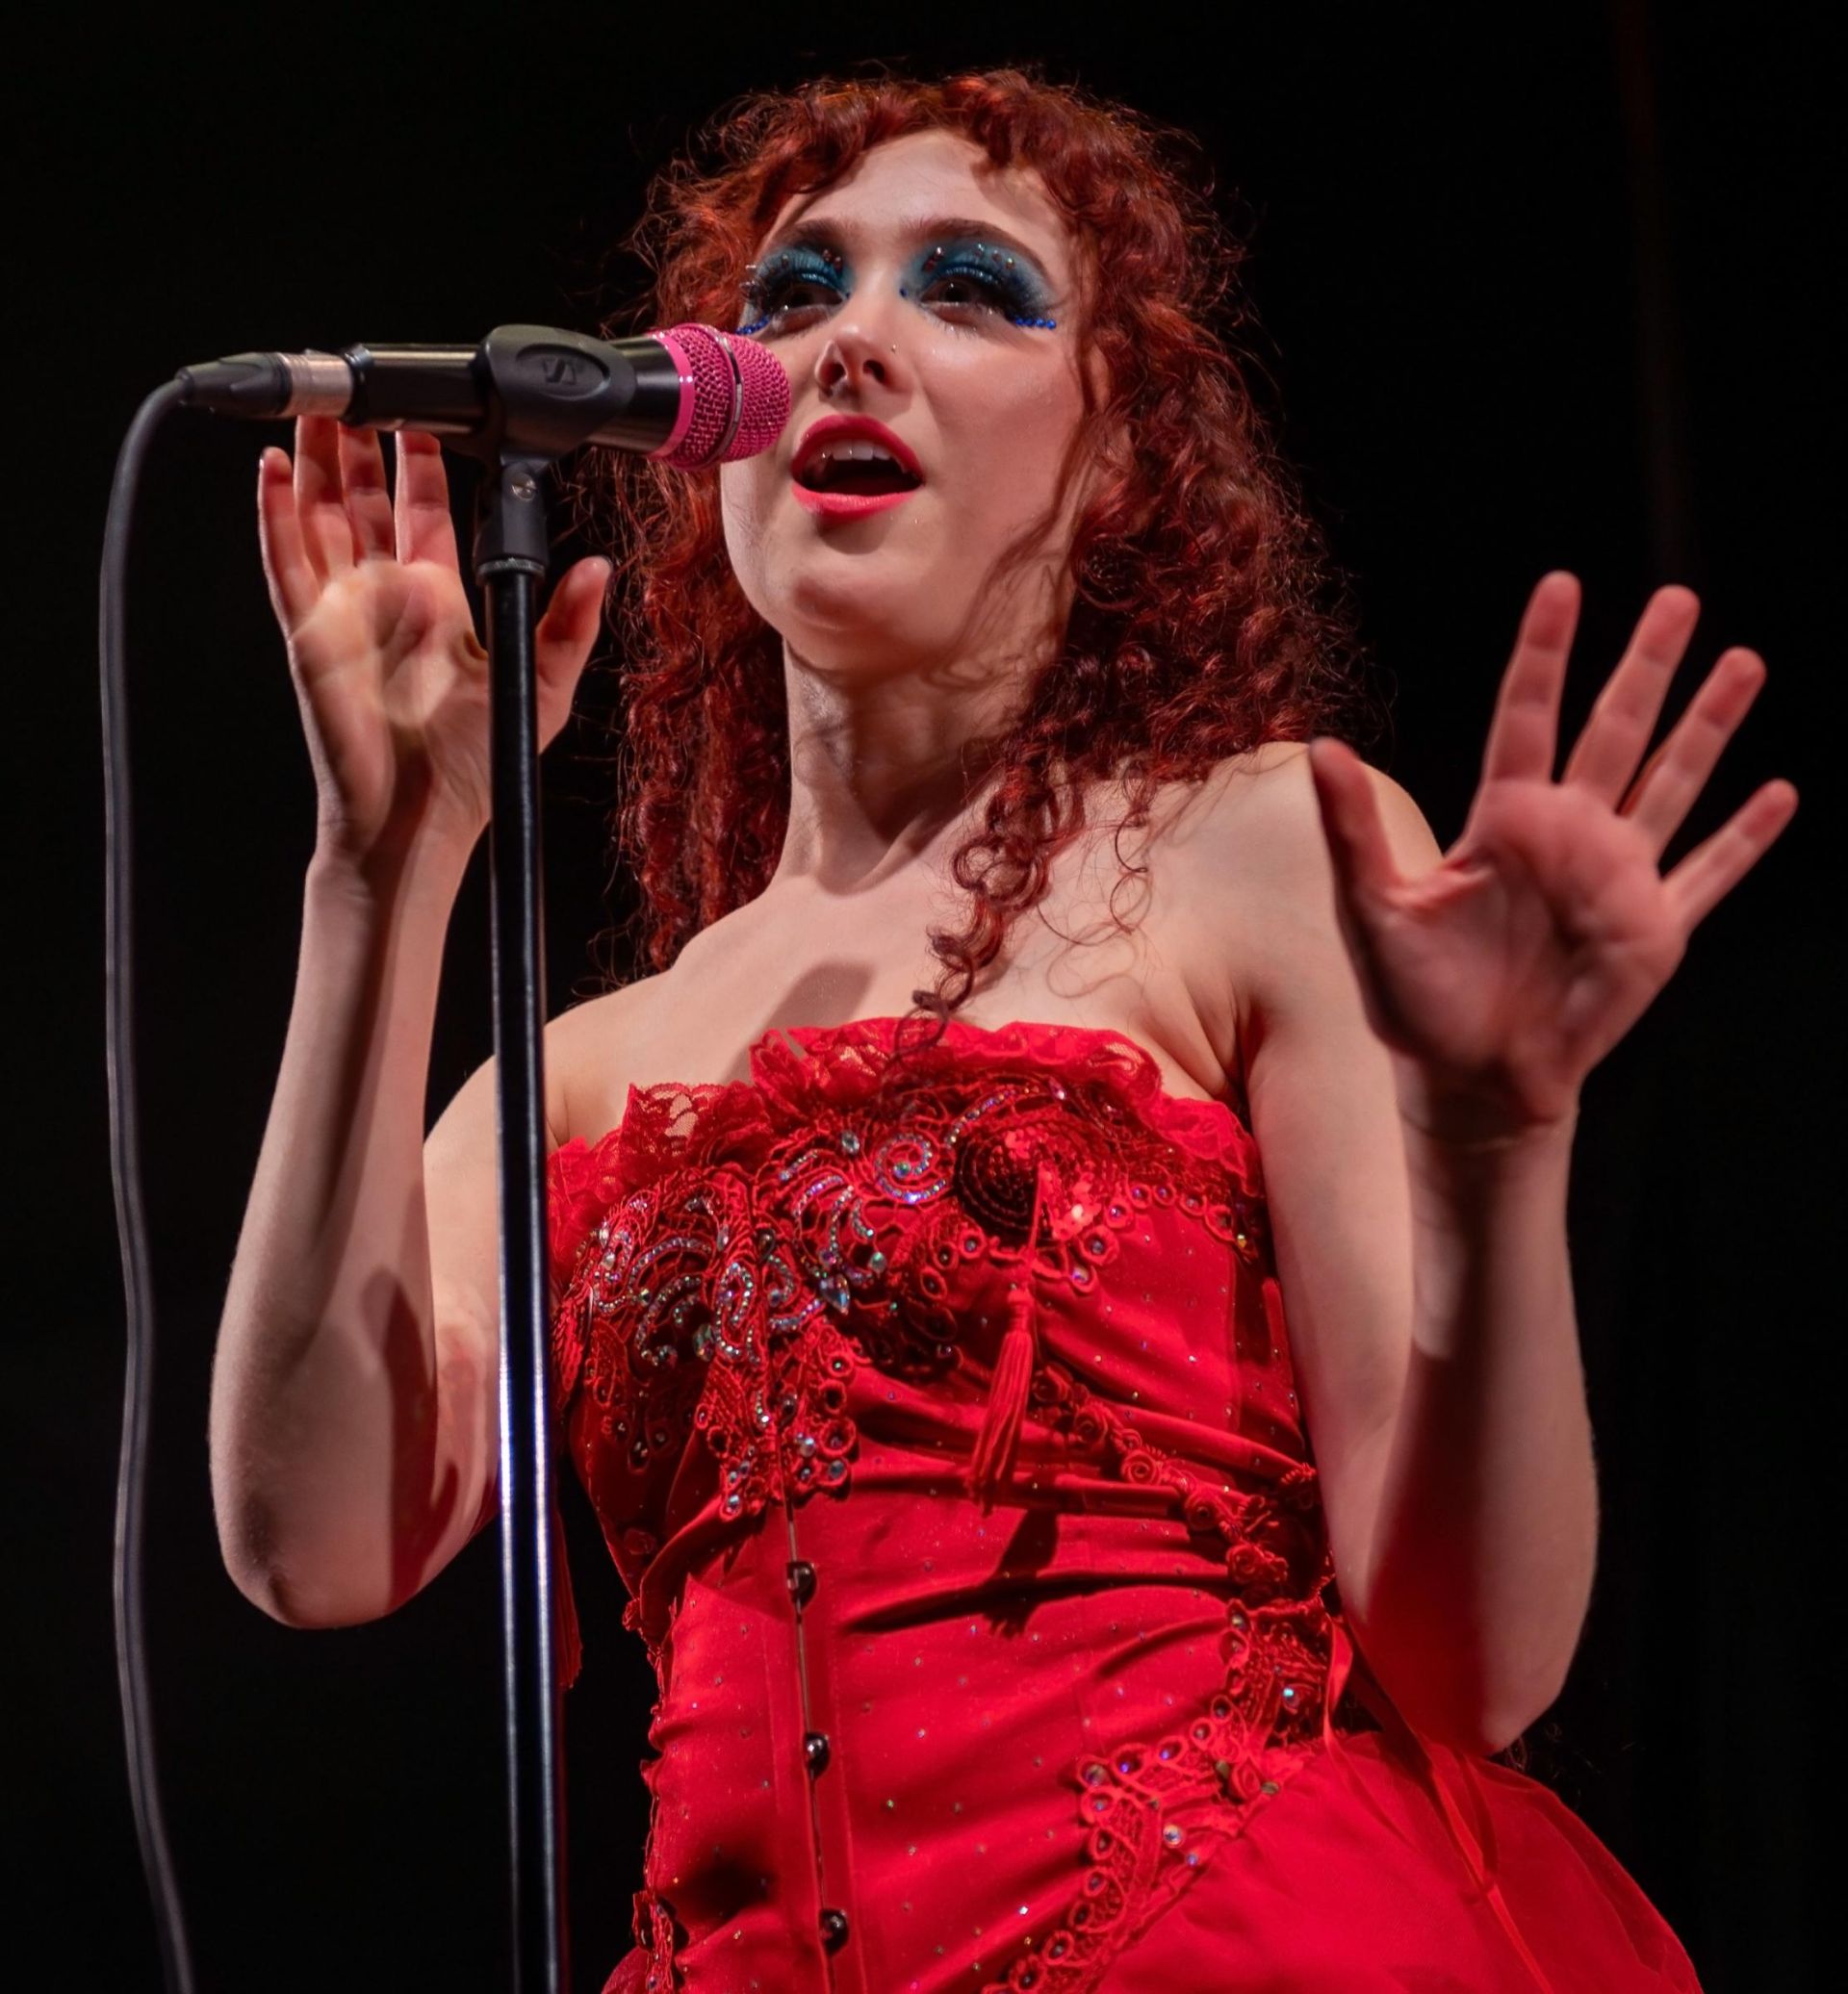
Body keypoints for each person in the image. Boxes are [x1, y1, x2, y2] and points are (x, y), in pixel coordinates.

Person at [208, 65, 1795, 1994]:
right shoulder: (583, 1071)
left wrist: (1495, 1146)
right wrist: (384, 867)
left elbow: (1481, 1668)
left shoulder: (1259, 848)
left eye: (968, 288)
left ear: (1118, 455)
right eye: (796, 293)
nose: (853, 338)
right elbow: (308, 1542)